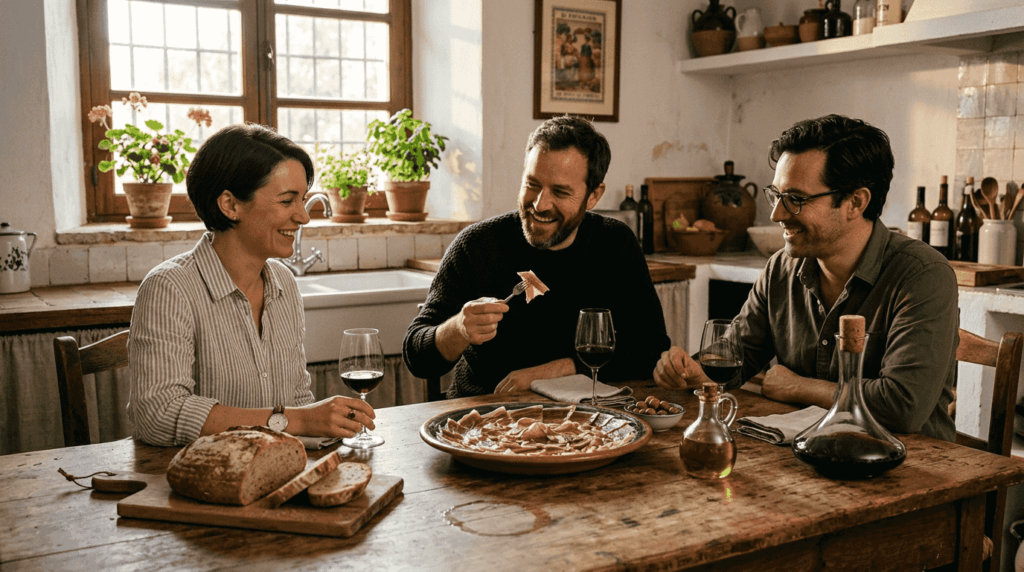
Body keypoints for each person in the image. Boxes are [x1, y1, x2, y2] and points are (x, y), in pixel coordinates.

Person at [654, 114, 958, 442]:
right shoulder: (780, 268)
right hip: (805, 455)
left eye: (796, 200)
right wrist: (694, 372)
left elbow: (903, 406)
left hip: (910, 466)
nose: (776, 214)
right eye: (776, 195)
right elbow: (736, 356)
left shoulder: (923, 276)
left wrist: (798, 387)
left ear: (855, 202)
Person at [127, 124, 375, 447]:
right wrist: (298, 420)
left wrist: (325, 430)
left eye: (302, 200)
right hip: (193, 486)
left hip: (276, 476)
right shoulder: (169, 289)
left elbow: (296, 397)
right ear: (230, 205)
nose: (303, 217)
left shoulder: (284, 283)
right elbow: (158, 415)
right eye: (287, 201)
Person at [404, 115, 671, 399]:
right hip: (483, 418)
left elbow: (651, 348)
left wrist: (553, 372)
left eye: (560, 191)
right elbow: (417, 358)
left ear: (593, 196)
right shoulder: (477, 245)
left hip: (588, 421)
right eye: (532, 184)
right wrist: (457, 329)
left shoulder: (616, 243)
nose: (539, 204)